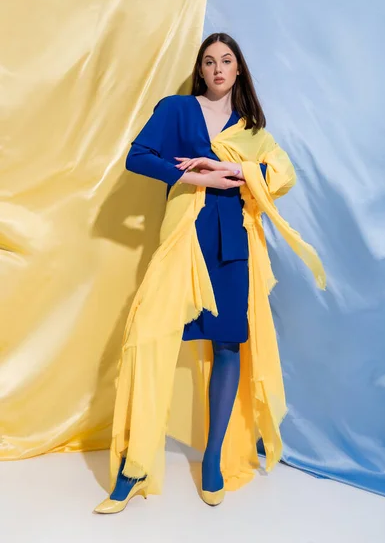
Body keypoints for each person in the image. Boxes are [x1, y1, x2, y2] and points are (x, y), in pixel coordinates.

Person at [94, 32, 326, 514]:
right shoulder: (177, 110)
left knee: (226, 346)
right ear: (200, 70)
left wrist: (235, 172)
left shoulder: (252, 129)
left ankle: (215, 458)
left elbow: (282, 174)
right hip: (184, 239)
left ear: (238, 69)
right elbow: (138, 156)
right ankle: (134, 467)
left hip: (231, 247)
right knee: (151, 336)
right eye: (208, 61)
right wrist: (198, 176)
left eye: (226, 60)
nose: (217, 68)